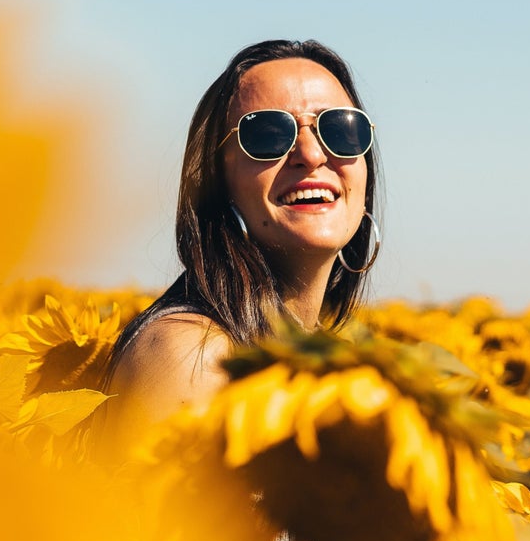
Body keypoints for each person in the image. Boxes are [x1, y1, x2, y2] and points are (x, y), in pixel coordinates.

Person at [98, 38, 381, 458]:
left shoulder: (331, 360)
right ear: (217, 179)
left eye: (340, 128)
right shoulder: (193, 358)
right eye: (267, 134)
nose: (310, 153)